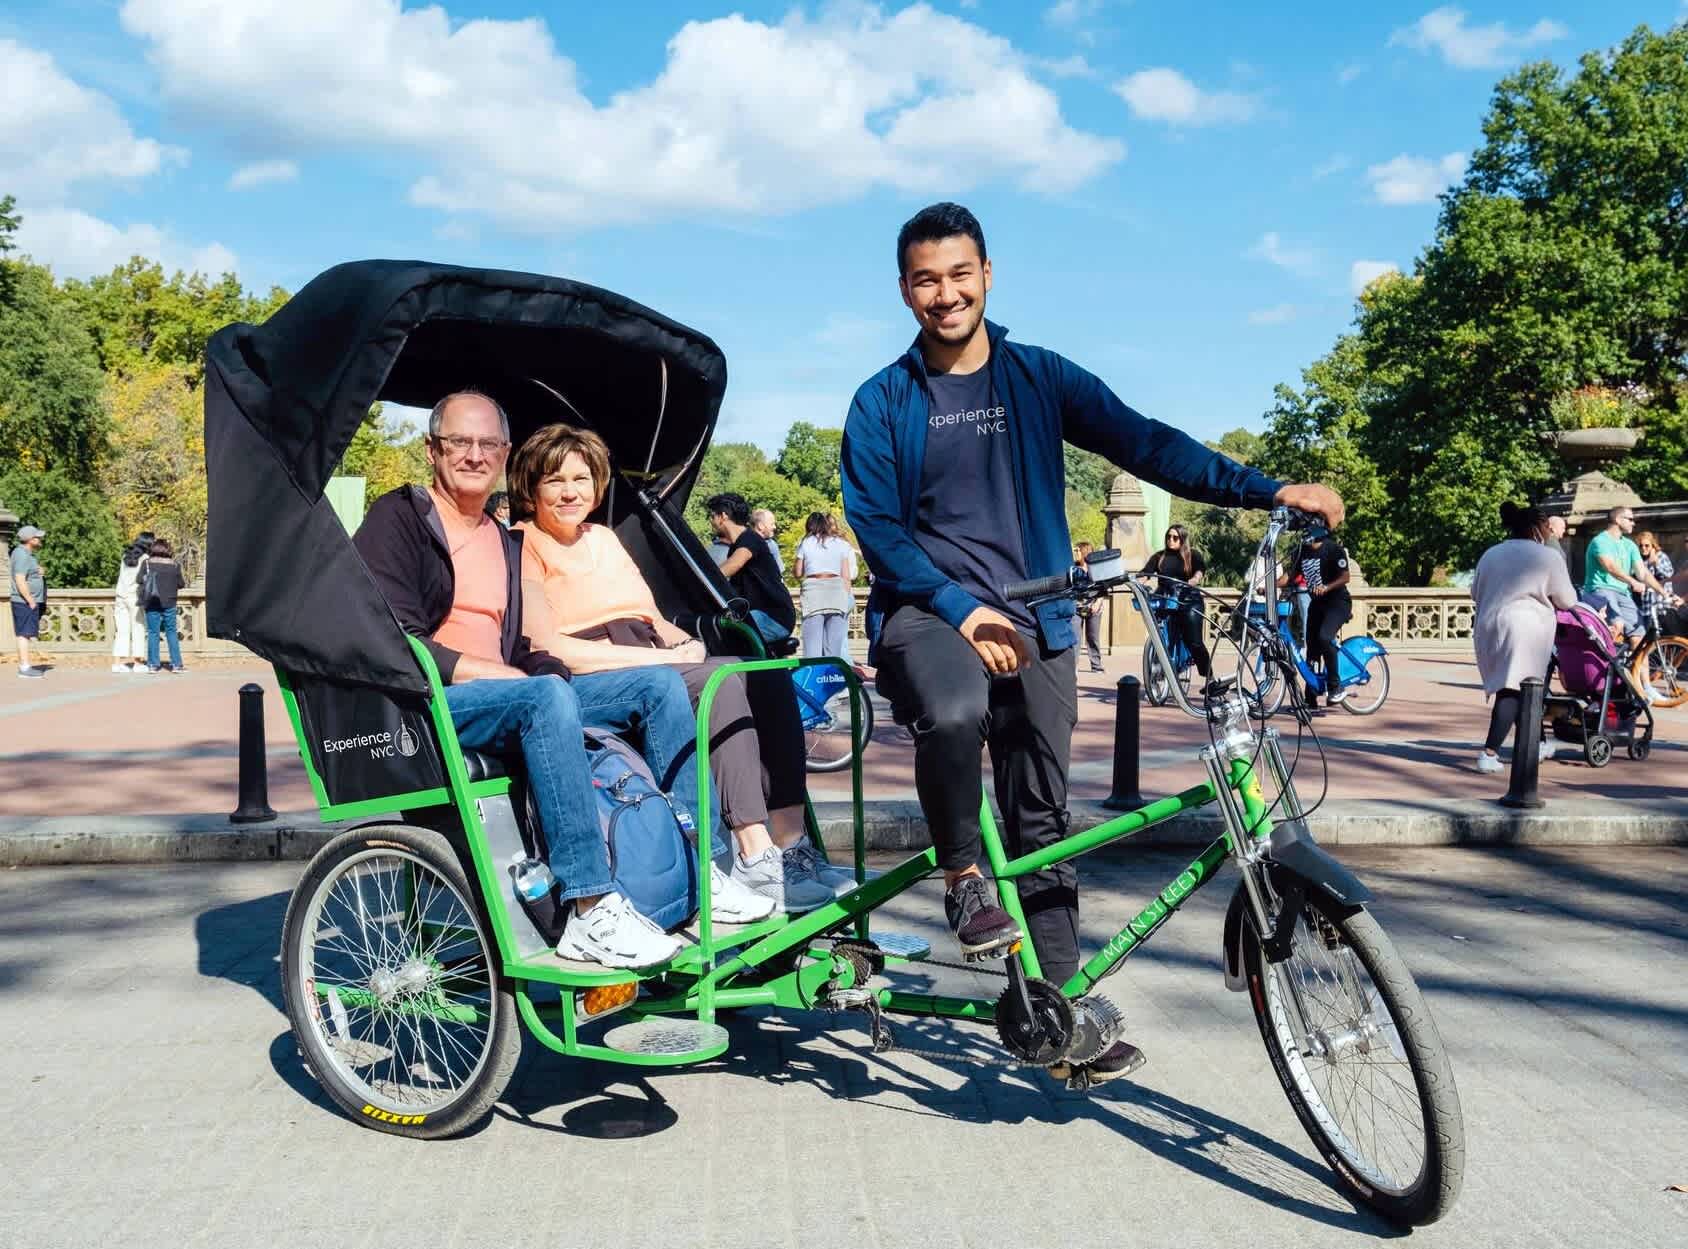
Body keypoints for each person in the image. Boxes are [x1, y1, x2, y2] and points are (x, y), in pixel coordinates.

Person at [841, 201, 1343, 1084]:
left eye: (961, 274)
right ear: (904, 290)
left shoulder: (1038, 378)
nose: (945, 293)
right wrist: (960, 608)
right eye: (926, 279)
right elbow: (878, 527)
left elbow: (1146, 442)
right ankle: (963, 874)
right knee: (955, 712)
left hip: (1038, 616)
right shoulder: (883, 402)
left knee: (1043, 818)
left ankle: (1058, 1010)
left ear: (988, 276)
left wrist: (1268, 491)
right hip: (931, 612)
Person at [355, 390, 722, 969]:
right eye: (458, 442)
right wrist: (513, 678)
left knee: (657, 685)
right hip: (430, 701)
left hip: (511, 692)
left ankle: (704, 869)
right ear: (432, 450)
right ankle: (589, 909)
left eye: (488, 444)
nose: (474, 455)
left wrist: (547, 677)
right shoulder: (400, 518)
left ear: (504, 453)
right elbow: (393, 637)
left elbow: (528, 645)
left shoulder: (502, 538)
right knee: (545, 695)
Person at [507, 422, 840, 912]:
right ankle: (753, 851)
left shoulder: (601, 537)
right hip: (595, 669)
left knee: (763, 671)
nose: (569, 492)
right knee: (719, 684)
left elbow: (650, 616)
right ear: (531, 488)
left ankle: (791, 847)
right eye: (555, 480)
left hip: (648, 652)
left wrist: (683, 642)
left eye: (581, 479)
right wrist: (663, 658)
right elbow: (549, 645)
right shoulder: (523, 544)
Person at [1471, 502, 1577, 773]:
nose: (1548, 533)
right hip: (1526, 626)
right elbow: (1566, 599)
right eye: (1545, 528)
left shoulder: (1491, 553)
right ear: (1534, 528)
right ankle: (1489, 752)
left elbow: (1475, 591)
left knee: (1522, 689)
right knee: (1514, 689)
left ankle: (1536, 741)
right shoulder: (1547, 556)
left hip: (1490, 624)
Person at [708, 492, 796, 645]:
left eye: (712, 516)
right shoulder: (737, 545)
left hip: (773, 617)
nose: (711, 522)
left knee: (720, 636)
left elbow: (733, 565)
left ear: (722, 516)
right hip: (759, 614)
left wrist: (701, 579)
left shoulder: (750, 539)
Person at [1582, 506, 1671, 641]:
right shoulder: (1600, 541)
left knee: (1639, 635)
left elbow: (1643, 573)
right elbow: (1610, 567)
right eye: (1630, 519)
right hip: (1600, 589)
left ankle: (1637, 662)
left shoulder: (1630, 545)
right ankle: (1608, 660)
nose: (1633, 523)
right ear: (1618, 519)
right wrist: (1633, 582)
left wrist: (1664, 593)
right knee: (1617, 625)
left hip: (1623, 593)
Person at [1137, 526, 1211, 685]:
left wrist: (1193, 580)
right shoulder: (1159, 556)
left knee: (1194, 641)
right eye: (1168, 537)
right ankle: (1160, 668)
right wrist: (1137, 582)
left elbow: (1199, 571)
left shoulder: (1192, 555)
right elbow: (1146, 572)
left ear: (1183, 539)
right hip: (1165, 598)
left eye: (1175, 538)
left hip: (1188, 600)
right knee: (1159, 629)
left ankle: (1209, 677)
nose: (1171, 540)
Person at [1298, 527, 1353, 708]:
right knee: (1311, 649)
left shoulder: (1333, 549)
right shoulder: (1303, 551)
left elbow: (1345, 577)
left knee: (1325, 638)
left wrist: (1326, 588)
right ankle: (1310, 696)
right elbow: (1290, 577)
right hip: (1317, 604)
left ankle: (1335, 687)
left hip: (1337, 602)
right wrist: (1269, 585)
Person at [795, 511, 857, 663]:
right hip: (836, 592)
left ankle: (814, 683)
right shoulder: (841, 544)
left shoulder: (806, 543)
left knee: (812, 650)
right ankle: (833, 683)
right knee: (833, 651)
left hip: (814, 593)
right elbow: (846, 575)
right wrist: (846, 597)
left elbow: (798, 572)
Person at [140, 538, 187, 674]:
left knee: (153, 633)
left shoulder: (147, 563)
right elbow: (181, 584)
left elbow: (139, 580)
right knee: (171, 632)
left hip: (152, 602)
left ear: (153, 549)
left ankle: (153, 665)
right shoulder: (175, 565)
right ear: (167, 549)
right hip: (170, 602)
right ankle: (176, 664)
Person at [10, 524, 46, 679]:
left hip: (27, 601)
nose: (40, 539)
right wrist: (30, 600)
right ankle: (24, 667)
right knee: (24, 634)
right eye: (37, 537)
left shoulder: (26, 554)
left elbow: (26, 571)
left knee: (25, 633)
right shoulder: (22, 555)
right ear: (30, 540)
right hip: (24, 601)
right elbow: (19, 579)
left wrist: (38, 571)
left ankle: (25, 665)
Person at [1635, 531, 1686, 635]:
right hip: (1644, 604)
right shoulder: (1638, 560)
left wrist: (1656, 564)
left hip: (1660, 604)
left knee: (1666, 633)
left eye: (1647, 545)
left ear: (1653, 545)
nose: (1643, 548)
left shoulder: (1661, 556)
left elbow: (1669, 574)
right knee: (1647, 635)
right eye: (1641, 546)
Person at [112, 540, 147, 673]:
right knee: (138, 629)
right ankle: (137, 663)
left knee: (121, 631)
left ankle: (117, 663)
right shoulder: (145, 558)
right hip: (135, 597)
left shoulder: (124, 557)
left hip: (120, 596)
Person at [1073, 542, 1105, 673]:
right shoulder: (1073, 568)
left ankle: (1096, 665)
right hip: (1076, 607)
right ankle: (1072, 666)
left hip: (1094, 607)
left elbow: (1103, 587)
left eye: (1078, 551)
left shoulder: (1096, 568)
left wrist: (1098, 603)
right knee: (1075, 638)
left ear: (1084, 552)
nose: (1075, 553)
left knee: (1093, 637)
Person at [752, 508, 784, 574]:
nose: (774, 527)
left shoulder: (772, 544)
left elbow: (779, 572)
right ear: (760, 525)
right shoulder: (745, 543)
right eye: (772, 524)